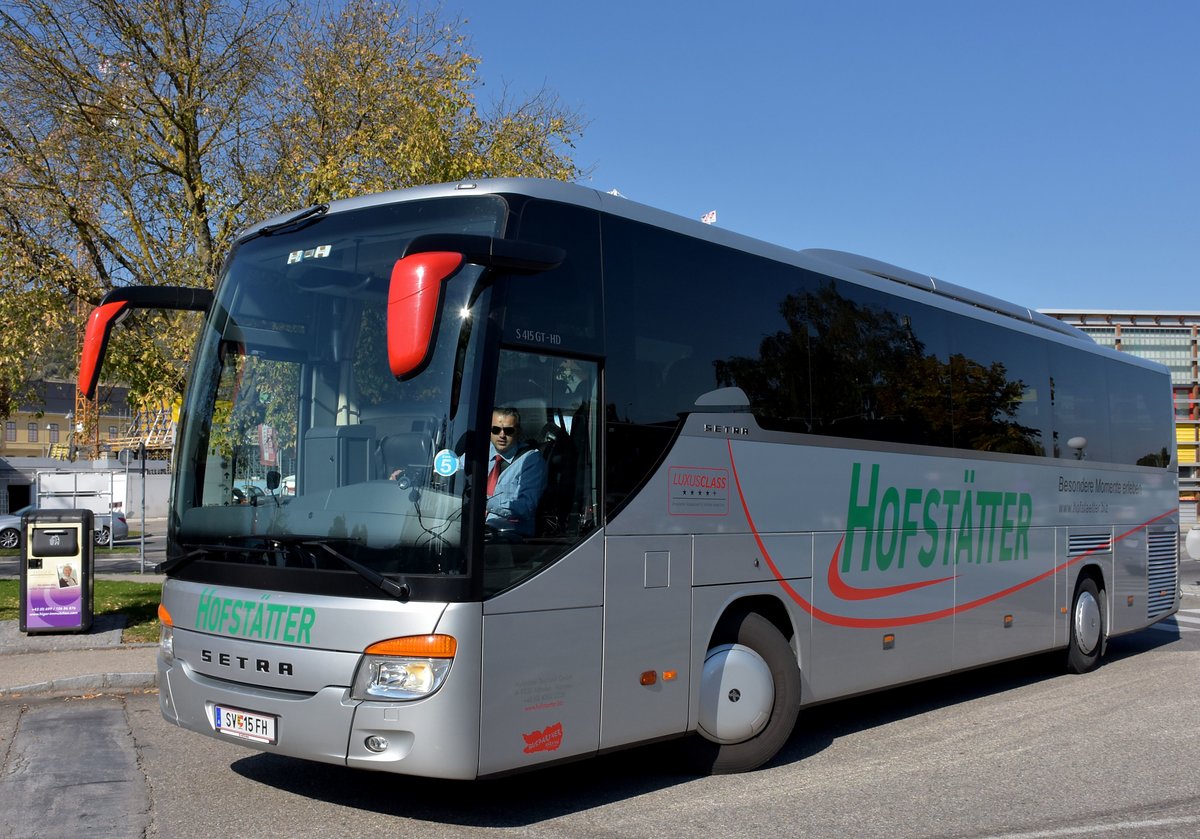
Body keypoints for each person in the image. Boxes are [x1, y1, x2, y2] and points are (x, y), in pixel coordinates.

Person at [484, 407, 547, 537]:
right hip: (471, 530)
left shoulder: (531, 460)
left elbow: (526, 507)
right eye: (495, 430)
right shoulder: (479, 452)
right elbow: (455, 473)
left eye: (508, 430)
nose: (502, 435)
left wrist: (486, 503)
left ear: (518, 432)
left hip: (510, 538)